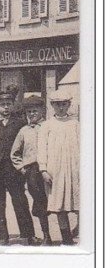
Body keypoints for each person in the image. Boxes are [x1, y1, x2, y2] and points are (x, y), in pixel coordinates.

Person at [0, 90, 39, 245]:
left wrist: (23, 166)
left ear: (13, 105)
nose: (6, 107)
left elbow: (25, 145)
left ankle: (28, 235)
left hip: (14, 169)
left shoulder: (19, 122)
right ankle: (2, 237)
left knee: (20, 201)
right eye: (2, 105)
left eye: (8, 104)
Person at [38, 90, 80, 246]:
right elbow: (42, 148)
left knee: (79, 203)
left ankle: (85, 234)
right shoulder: (46, 125)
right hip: (55, 171)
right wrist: (43, 169)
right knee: (59, 206)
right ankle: (66, 238)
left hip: (74, 169)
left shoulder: (75, 124)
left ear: (68, 104)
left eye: (64, 104)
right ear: (52, 106)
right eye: (57, 105)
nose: (61, 108)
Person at [10, 94, 53, 244]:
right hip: (32, 171)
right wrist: (22, 168)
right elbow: (14, 153)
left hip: (49, 169)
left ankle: (67, 234)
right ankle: (47, 235)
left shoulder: (49, 127)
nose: (32, 114)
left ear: (42, 110)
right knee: (40, 201)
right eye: (29, 112)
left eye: (35, 111)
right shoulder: (24, 131)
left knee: (56, 200)